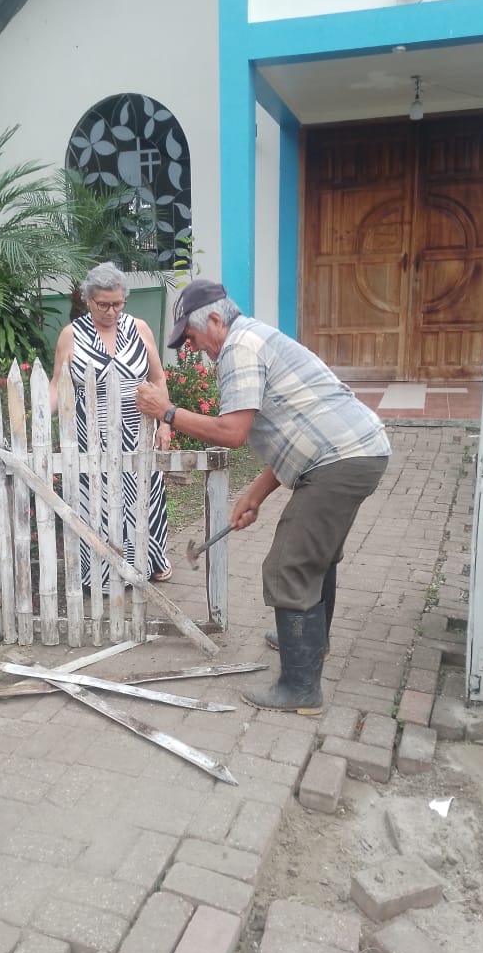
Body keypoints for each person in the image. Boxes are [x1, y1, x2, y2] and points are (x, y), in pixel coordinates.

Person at [136, 279, 391, 714]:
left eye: (192, 338)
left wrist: (167, 412)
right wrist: (254, 494)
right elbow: (293, 432)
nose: (193, 349)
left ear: (214, 320)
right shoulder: (255, 337)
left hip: (340, 459)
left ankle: (300, 688)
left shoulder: (239, 348)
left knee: (288, 564)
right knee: (316, 554)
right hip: (353, 452)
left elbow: (232, 433)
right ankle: (311, 643)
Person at [50, 261, 172, 587]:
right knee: (97, 502)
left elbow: (158, 378)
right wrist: (35, 423)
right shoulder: (71, 335)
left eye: (118, 303)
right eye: (103, 304)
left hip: (137, 431)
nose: (111, 311)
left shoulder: (139, 328)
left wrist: (165, 423)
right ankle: (101, 575)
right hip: (90, 434)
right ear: (88, 300)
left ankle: (148, 563)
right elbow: (57, 385)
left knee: (143, 499)